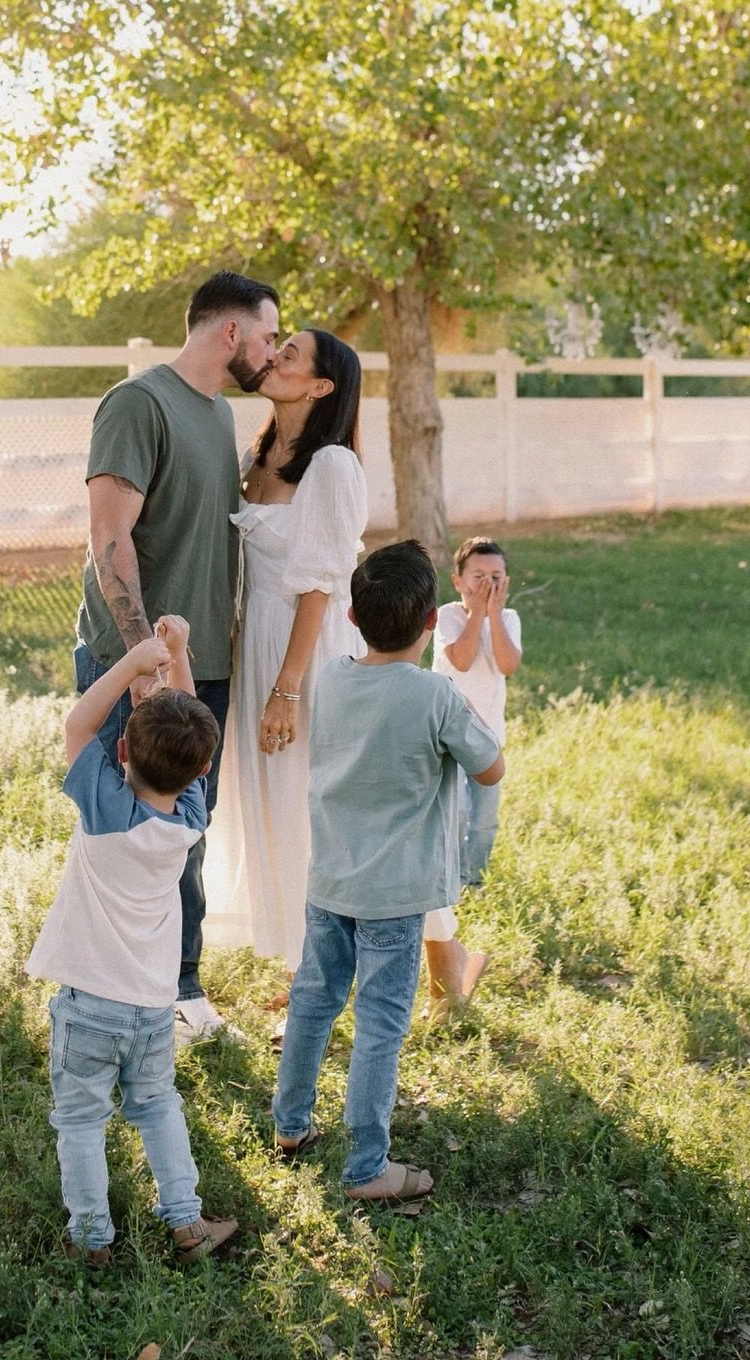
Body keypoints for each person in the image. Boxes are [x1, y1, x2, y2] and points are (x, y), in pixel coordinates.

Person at [75, 269, 280, 1045]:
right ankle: (115, 997)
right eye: (265, 336)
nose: (269, 351)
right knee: (124, 834)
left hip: (204, 666)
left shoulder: (219, 412)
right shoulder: (140, 403)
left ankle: (178, 990)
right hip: (134, 669)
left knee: (186, 830)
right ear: (230, 332)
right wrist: (141, 666)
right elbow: (109, 536)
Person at [271, 541, 504, 1201]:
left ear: (350, 614)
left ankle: (289, 1128)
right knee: (379, 1022)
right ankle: (368, 1168)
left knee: (313, 1002)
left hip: (330, 883)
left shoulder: (332, 679)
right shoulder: (434, 696)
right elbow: (490, 767)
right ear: (433, 622)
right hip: (394, 899)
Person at [28, 615, 240, 1266]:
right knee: (156, 1108)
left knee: (83, 1123)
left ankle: (92, 1240)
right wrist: (175, 654)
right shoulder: (190, 817)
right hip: (150, 1007)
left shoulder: (105, 811)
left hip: (89, 1005)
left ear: (121, 754)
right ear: (203, 769)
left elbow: (75, 726)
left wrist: (129, 666)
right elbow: (193, 728)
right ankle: (187, 1223)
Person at [203, 329, 366, 972]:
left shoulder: (331, 465)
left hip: (307, 650)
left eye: (290, 354)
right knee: (269, 794)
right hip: (259, 638)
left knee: (307, 802)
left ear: (321, 386)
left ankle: (317, 971)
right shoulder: (259, 453)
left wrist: (286, 688)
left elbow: (322, 587)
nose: (274, 357)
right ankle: (303, 959)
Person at [422, 536, 523, 1015]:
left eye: (497, 578)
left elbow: (506, 664)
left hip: (489, 736)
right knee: (452, 810)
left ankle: (473, 879)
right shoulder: (448, 617)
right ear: (458, 580)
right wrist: (478, 613)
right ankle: (451, 883)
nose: (488, 586)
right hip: (447, 735)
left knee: (483, 818)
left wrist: (495, 615)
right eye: (478, 578)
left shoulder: (510, 619)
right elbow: (460, 659)